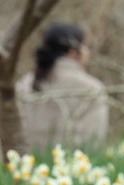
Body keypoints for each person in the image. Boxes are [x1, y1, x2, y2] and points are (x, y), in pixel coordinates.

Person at [15, 22, 108, 150]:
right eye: (84, 46)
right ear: (72, 52)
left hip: (25, 166)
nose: (87, 52)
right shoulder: (92, 89)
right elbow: (93, 141)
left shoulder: (23, 85)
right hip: (73, 167)